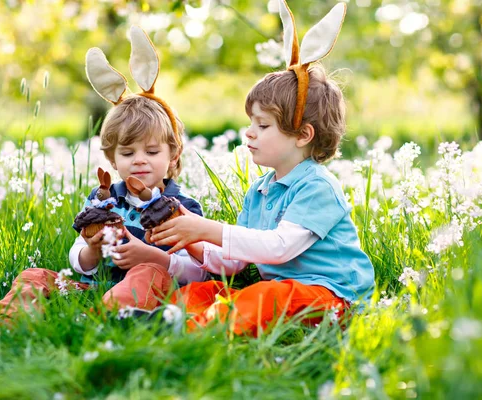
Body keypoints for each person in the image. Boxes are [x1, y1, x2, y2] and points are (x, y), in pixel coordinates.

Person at [150, 0, 375, 336]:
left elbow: (278, 247)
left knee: (263, 296)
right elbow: (232, 263)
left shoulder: (318, 187)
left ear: (302, 135)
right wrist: (188, 233)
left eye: (263, 125)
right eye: (250, 122)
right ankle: (165, 320)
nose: (249, 133)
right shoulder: (261, 190)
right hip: (286, 293)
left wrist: (206, 227)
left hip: (332, 297)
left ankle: (196, 331)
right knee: (204, 291)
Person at [0, 26, 207, 321]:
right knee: (35, 275)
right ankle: (6, 324)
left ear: (173, 156)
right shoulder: (103, 200)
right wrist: (91, 252)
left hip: (150, 288)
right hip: (92, 286)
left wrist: (153, 257)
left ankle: (98, 322)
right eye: (128, 153)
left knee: (146, 274)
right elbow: (77, 254)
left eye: (152, 152)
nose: (139, 161)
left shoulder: (182, 207)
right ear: (112, 159)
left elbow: (198, 270)